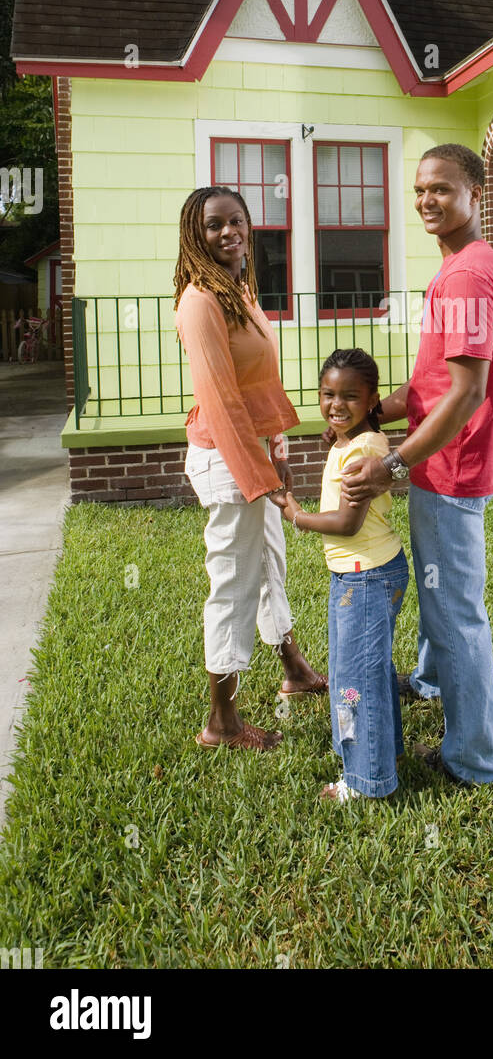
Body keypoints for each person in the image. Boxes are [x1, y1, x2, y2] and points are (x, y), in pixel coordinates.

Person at [341, 144, 493, 787]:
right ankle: (433, 682)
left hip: (450, 468)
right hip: (447, 462)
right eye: (419, 190)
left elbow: (466, 393)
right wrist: (369, 413)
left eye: (442, 188)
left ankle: (474, 759)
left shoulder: (467, 275)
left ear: (475, 194)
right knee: (445, 599)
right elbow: (436, 383)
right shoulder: (461, 266)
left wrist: (395, 462)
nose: (426, 201)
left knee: (456, 614)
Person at [174, 185, 326, 752]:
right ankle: (222, 723)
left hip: (254, 452)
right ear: (196, 234)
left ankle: (293, 667)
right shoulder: (201, 301)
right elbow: (219, 399)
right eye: (215, 225)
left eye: (237, 221)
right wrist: (259, 477)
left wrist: (277, 447)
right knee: (234, 583)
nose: (229, 232)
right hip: (227, 459)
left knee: (270, 564)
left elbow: (257, 380)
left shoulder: (238, 288)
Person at [273, 349, 409, 803]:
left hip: (365, 577)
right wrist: (339, 430)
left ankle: (365, 782)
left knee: (354, 680)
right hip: (363, 575)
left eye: (350, 396)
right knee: (370, 673)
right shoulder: (351, 440)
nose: (336, 404)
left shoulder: (365, 449)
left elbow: (347, 524)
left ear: (373, 400)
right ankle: (384, 757)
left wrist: (297, 516)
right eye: (329, 394)